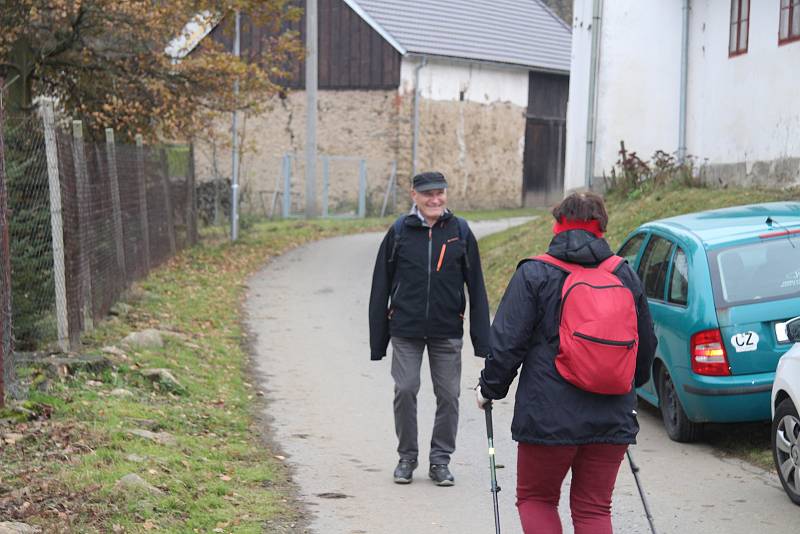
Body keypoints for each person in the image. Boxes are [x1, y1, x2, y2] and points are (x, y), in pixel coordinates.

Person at [476, 192, 657, 533]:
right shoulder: (624, 275)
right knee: (594, 509)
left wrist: (489, 389)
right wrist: (628, 388)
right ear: (602, 227)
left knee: (537, 499)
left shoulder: (535, 273)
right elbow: (645, 347)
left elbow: (506, 344)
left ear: (557, 224)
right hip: (612, 413)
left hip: (548, 416)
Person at [369, 171, 491, 486]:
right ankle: (407, 458)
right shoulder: (399, 231)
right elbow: (381, 285)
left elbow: (476, 287)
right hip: (406, 329)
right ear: (414, 196)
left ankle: (440, 461)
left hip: (447, 329)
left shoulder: (460, 231)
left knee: (449, 396)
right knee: (406, 389)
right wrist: (378, 340)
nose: (435, 199)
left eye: (440, 193)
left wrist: (482, 341)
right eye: (428, 194)